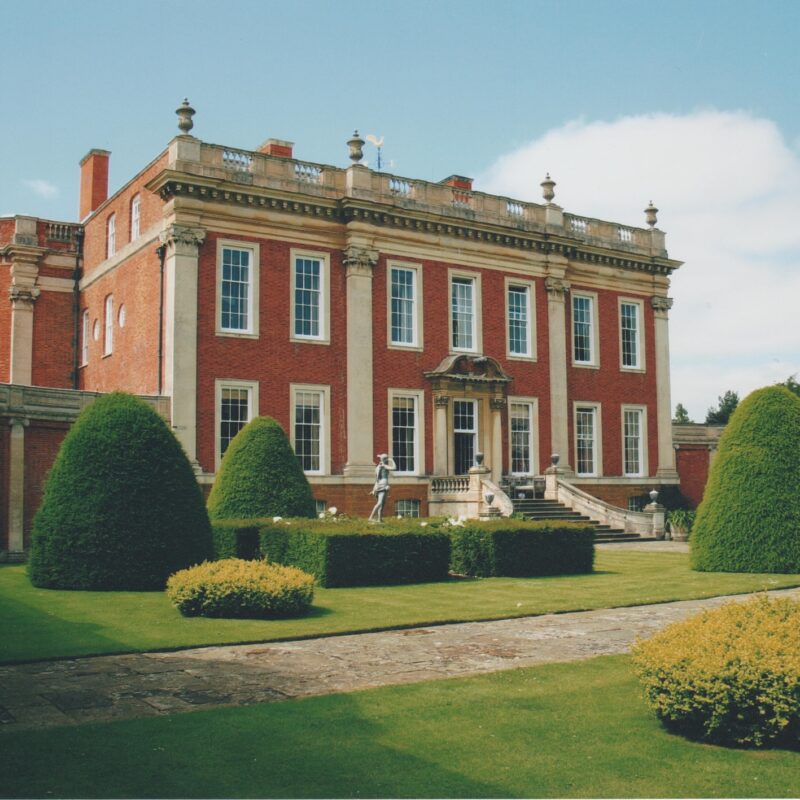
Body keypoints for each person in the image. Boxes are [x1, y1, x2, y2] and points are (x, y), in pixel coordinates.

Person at [368, 453, 396, 522]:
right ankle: (371, 517)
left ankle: (379, 519)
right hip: (383, 484)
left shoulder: (378, 467)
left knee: (382, 503)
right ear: (385, 459)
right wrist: (392, 460)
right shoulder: (384, 466)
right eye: (387, 458)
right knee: (380, 503)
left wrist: (374, 489)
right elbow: (394, 468)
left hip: (378, 485)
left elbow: (376, 479)